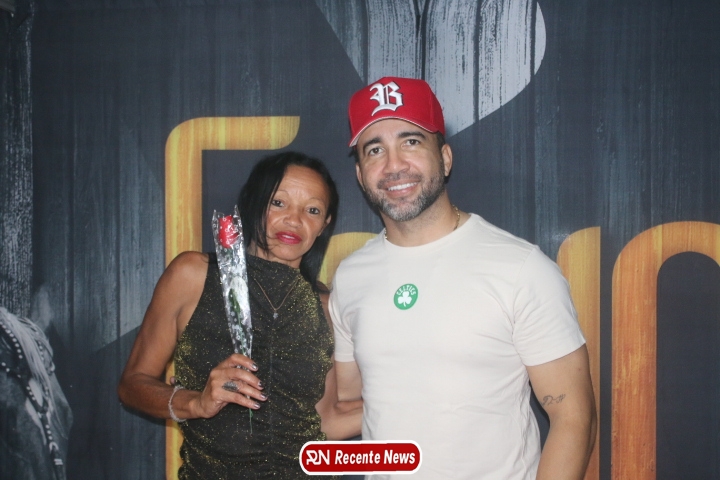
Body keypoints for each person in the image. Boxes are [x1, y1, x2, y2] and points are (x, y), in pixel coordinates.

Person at [330, 77, 597, 479]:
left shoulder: (520, 268)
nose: (394, 165)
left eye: (411, 141)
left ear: (445, 158)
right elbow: (350, 402)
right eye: (375, 149)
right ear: (360, 173)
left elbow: (574, 418)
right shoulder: (351, 276)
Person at [118, 151, 362, 479]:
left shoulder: (326, 307)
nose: (294, 220)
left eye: (312, 210)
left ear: (324, 224)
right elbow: (132, 385)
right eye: (279, 203)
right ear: (254, 203)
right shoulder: (194, 275)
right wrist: (195, 402)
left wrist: (414, 400)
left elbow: (326, 421)